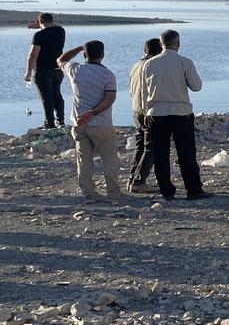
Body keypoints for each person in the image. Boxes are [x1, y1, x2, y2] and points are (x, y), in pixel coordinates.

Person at [143, 29, 210, 200]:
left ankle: (166, 190)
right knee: (186, 153)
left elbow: (145, 91)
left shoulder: (149, 64)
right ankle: (193, 189)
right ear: (178, 43)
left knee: (160, 153)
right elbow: (196, 86)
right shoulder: (184, 62)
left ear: (161, 43)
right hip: (180, 112)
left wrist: (145, 111)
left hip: (156, 112)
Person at [58, 40, 121, 203]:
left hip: (79, 123)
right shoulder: (108, 74)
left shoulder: (75, 69)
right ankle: (113, 191)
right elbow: (110, 98)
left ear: (85, 54)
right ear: (103, 55)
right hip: (101, 123)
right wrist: (93, 112)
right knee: (109, 158)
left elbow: (60, 59)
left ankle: (89, 193)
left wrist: (78, 49)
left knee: (84, 160)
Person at [127, 38, 163, 193]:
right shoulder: (152, 66)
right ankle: (139, 181)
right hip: (146, 111)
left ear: (145, 50)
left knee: (141, 145)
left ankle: (132, 178)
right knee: (151, 147)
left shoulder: (136, 65)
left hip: (136, 109)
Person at [24, 13, 67, 129]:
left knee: (46, 97)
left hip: (42, 71)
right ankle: (61, 121)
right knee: (57, 94)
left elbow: (33, 55)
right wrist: (42, 24)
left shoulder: (39, 35)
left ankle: (49, 123)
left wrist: (28, 73)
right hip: (58, 69)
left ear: (39, 22)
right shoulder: (60, 31)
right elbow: (54, 26)